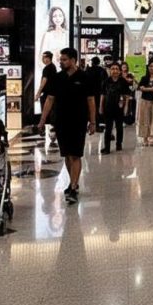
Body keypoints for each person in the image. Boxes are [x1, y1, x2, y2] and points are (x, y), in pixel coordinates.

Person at [38, 48, 96, 204]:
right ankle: (73, 183)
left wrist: (93, 121)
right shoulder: (57, 78)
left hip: (78, 120)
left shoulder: (84, 77)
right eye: (61, 59)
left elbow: (90, 100)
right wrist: (42, 120)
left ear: (73, 60)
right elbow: (50, 99)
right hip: (61, 120)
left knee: (75, 154)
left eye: (64, 59)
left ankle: (73, 186)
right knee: (67, 155)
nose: (61, 62)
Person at [99, 63, 131, 154]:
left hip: (119, 108)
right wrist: (100, 107)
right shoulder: (106, 82)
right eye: (113, 69)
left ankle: (119, 144)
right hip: (108, 107)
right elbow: (102, 95)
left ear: (120, 71)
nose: (115, 70)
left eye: (117, 69)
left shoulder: (123, 81)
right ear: (110, 70)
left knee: (119, 127)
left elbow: (127, 96)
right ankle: (107, 147)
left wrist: (126, 107)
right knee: (108, 128)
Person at [137, 60, 153, 146]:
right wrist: (152, 89)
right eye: (150, 66)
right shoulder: (144, 78)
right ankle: (145, 138)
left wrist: (147, 89)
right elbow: (141, 88)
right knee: (145, 120)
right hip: (145, 101)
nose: (151, 68)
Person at [86, 56, 107, 127]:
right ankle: (97, 123)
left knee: (90, 107)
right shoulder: (102, 70)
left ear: (92, 62)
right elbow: (106, 81)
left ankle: (90, 122)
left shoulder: (89, 70)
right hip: (99, 92)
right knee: (98, 107)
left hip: (90, 91)